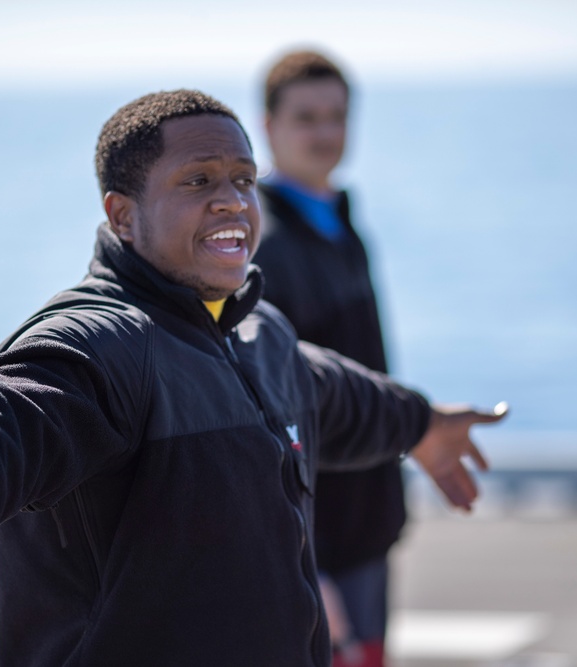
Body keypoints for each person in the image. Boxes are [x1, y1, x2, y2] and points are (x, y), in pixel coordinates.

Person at [0, 89, 507, 667]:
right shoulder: (105, 341)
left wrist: (421, 423)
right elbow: (12, 409)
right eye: (197, 180)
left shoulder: (258, 333)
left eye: (243, 179)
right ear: (122, 215)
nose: (232, 199)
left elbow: (335, 394)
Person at [253, 49, 401, 666]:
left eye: (336, 116)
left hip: (367, 519)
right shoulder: (262, 243)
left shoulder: (342, 219)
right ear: (268, 126)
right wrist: (306, 561)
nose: (325, 133)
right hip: (316, 541)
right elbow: (265, 413)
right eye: (306, 117)